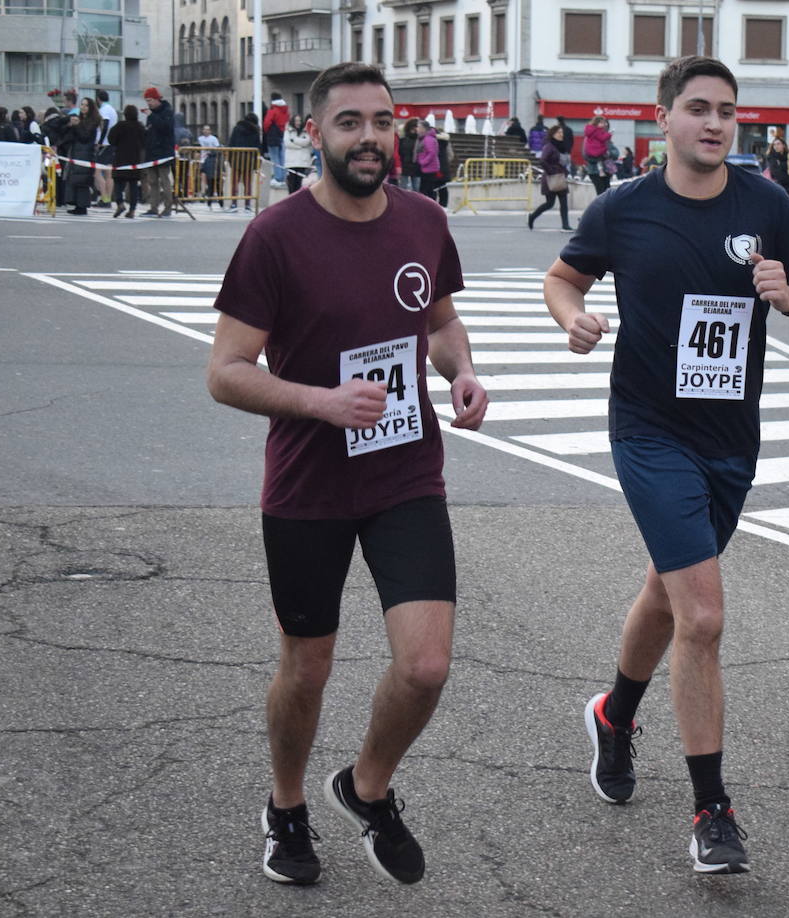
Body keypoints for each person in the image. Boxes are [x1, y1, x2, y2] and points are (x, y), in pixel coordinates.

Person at [543, 55, 789, 875]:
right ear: (663, 118)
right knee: (702, 614)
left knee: (667, 592)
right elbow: (562, 278)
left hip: (729, 443)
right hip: (647, 433)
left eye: (728, 112)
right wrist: (575, 318)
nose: (715, 123)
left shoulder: (766, 205)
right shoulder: (624, 209)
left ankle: (614, 713)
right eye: (699, 108)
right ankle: (712, 811)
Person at [206, 61, 488, 888]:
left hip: (405, 473)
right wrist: (319, 402)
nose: (370, 138)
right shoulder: (275, 236)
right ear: (314, 132)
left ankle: (365, 787)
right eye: (351, 122)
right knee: (308, 666)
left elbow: (439, 321)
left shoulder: (423, 222)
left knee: (426, 666)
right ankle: (287, 807)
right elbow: (225, 370)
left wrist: (460, 372)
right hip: (307, 487)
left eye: (383, 121)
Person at [141, 88, 176, 217]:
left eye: (150, 100)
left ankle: (168, 207)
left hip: (164, 152)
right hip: (152, 152)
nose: (148, 103)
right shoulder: (152, 114)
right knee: (152, 181)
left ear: (156, 99)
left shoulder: (167, 111)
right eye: (147, 101)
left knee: (164, 180)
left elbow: (165, 128)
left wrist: (152, 116)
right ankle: (153, 207)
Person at [528, 124, 571, 230]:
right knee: (549, 203)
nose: (561, 134)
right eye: (559, 133)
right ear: (553, 134)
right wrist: (551, 171)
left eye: (562, 132)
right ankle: (532, 216)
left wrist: (565, 171)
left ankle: (565, 225)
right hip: (550, 178)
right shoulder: (549, 146)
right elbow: (542, 160)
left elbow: (563, 162)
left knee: (564, 203)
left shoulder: (561, 146)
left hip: (560, 177)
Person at [227, 113, 263, 211]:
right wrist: (257, 164)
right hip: (249, 160)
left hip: (236, 158)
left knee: (235, 182)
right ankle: (247, 204)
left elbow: (231, 143)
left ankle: (234, 203)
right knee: (248, 183)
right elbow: (258, 147)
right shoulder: (255, 131)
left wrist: (229, 159)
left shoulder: (237, 128)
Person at [94, 89, 119, 208]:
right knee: (109, 173)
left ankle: (104, 198)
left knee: (97, 172)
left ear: (98, 99)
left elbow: (105, 125)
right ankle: (108, 198)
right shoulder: (113, 110)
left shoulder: (103, 110)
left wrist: (99, 141)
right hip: (112, 143)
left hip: (104, 144)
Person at [263, 92, 290, 186]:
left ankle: (277, 177)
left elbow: (267, 123)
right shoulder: (285, 110)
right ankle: (282, 176)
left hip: (273, 136)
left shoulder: (273, 110)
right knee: (281, 157)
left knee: (274, 157)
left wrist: (266, 131)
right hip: (282, 134)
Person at [584, 115, 613, 196]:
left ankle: (606, 208)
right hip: (595, 170)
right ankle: (602, 208)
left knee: (606, 192)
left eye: (605, 124)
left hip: (606, 169)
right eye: (603, 123)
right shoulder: (589, 138)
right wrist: (599, 157)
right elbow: (585, 155)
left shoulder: (605, 138)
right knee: (601, 193)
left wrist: (609, 154)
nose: (604, 125)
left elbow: (615, 153)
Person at [284, 117, 313, 194]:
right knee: (292, 184)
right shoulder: (288, 131)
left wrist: (294, 140)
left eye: (299, 120)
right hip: (291, 162)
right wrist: (300, 146)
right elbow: (287, 143)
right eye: (296, 120)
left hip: (303, 161)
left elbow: (307, 141)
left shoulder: (306, 131)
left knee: (300, 184)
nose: (298, 122)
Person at [767, 137, 789, 205]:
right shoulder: (772, 158)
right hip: (779, 190)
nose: (776, 146)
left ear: (783, 145)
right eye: (774, 145)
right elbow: (779, 176)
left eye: (778, 144)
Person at [414, 120, 440, 199]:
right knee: (427, 190)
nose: (416, 129)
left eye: (418, 127)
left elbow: (432, 153)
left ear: (423, 128)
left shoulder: (428, 139)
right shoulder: (425, 138)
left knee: (427, 190)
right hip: (427, 168)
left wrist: (423, 162)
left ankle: (430, 207)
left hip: (429, 168)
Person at [196, 123, 221, 207]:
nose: (206, 131)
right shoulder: (200, 139)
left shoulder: (214, 139)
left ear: (210, 131)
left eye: (207, 129)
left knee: (211, 179)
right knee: (203, 177)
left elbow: (218, 149)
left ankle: (211, 193)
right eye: (204, 129)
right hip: (202, 160)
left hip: (211, 161)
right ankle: (203, 192)